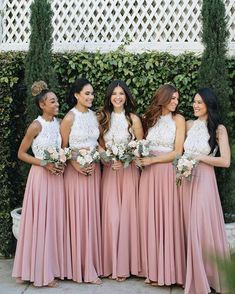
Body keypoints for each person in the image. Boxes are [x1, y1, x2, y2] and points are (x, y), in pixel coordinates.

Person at [12, 81, 65, 287]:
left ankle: (54, 267)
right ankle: (40, 272)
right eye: (53, 101)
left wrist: (61, 160)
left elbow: (64, 148)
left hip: (57, 178)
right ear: (42, 104)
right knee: (41, 223)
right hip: (40, 178)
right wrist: (44, 163)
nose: (57, 103)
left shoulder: (59, 124)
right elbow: (21, 153)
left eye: (57, 100)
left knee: (54, 222)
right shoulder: (36, 125)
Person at [180, 88, 231, 294]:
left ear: (209, 104)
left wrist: (198, 158)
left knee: (199, 227)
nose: (195, 105)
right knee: (187, 227)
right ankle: (193, 275)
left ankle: (207, 277)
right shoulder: (189, 125)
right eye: (194, 102)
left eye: (200, 102)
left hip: (204, 181)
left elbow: (225, 161)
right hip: (185, 181)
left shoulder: (219, 129)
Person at [138, 84, 186, 286]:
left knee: (167, 219)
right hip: (148, 175)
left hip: (166, 172)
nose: (176, 102)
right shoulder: (150, 119)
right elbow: (143, 145)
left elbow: (177, 152)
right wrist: (141, 156)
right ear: (163, 98)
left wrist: (153, 161)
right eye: (172, 98)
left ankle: (170, 271)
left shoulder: (179, 119)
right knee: (150, 219)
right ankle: (153, 270)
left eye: (177, 99)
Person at [98, 80, 143, 281]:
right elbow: (97, 144)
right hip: (109, 173)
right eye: (114, 93)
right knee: (111, 218)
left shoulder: (133, 119)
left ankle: (126, 265)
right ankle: (111, 264)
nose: (118, 97)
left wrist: (125, 159)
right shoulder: (102, 119)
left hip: (129, 173)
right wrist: (108, 157)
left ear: (126, 96)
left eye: (121, 93)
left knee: (128, 218)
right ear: (109, 97)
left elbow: (140, 147)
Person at [60, 78, 102, 284]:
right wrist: (75, 165)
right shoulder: (69, 117)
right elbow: (63, 148)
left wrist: (106, 158)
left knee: (92, 217)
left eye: (92, 93)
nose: (91, 97)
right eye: (87, 93)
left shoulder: (95, 116)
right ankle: (78, 267)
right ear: (77, 95)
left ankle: (91, 263)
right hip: (75, 173)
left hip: (94, 171)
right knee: (78, 217)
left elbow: (98, 144)